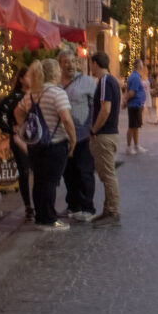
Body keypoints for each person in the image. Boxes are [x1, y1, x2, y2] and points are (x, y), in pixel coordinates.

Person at [14, 59, 77, 231]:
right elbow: (66, 119)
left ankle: (41, 217)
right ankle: (49, 220)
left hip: (35, 145)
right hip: (55, 145)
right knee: (50, 182)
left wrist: (24, 129)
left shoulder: (32, 94)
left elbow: (17, 111)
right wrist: (73, 139)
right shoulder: (58, 93)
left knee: (39, 181)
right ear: (55, 73)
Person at [58, 50, 97, 223]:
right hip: (63, 136)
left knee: (84, 171)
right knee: (68, 172)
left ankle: (88, 207)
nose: (70, 65)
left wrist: (92, 126)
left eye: (73, 61)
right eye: (66, 61)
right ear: (60, 64)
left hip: (82, 135)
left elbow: (95, 105)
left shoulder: (87, 81)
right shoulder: (56, 84)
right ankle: (73, 205)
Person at [0, 66, 34, 221]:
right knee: (23, 172)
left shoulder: (37, 95)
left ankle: (38, 204)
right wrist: (9, 128)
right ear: (21, 79)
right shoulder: (15, 97)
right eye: (29, 76)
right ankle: (28, 207)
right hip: (18, 139)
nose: (32, 79)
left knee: (37, 172)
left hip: (34, 138)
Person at [89, 51, 121, 228]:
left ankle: (113, 211)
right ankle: (108, 209)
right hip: (110, 133)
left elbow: (105, 109)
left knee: (108, 175)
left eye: (91, 64)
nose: (90, 67)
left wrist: (94, 129)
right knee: (107, 174)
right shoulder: (113, 81)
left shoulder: (104, 82)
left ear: (95, 63)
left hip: (104, 134)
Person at [124, 58, 147, 155]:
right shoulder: (136, 77)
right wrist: (125, 101)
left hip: (136, 105)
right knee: (132, 126)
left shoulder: (135, 76)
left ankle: (136, 146)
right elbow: (132, 92)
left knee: (136, 126)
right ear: (140, 66)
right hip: (134, 105)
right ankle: (129, 147)